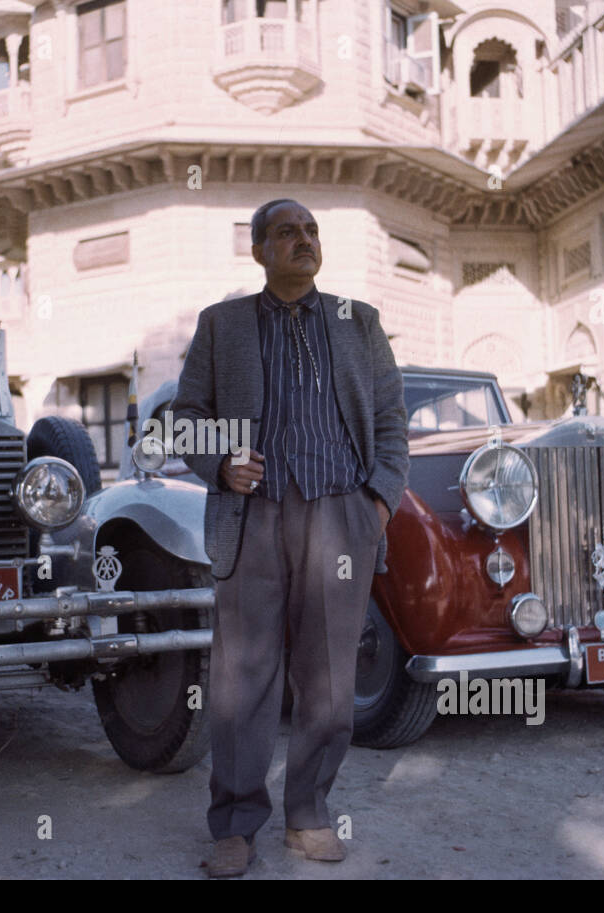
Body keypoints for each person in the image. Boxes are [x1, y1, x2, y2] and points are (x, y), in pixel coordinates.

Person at [172, 199, 409, 878]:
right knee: (242, 679)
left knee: (330, 678)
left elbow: (392, 417)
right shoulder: (223, 324)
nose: (303, 241)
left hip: (342, 517)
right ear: (259, 251)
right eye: (287, 232)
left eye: (310, 231)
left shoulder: (357, 321)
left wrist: (378, 502)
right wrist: (221, 462)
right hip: (254, 517)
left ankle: (307, 814)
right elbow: (184, 416)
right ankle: (236, 824)